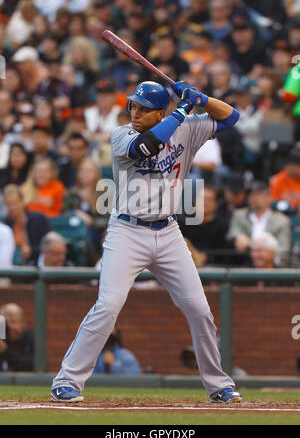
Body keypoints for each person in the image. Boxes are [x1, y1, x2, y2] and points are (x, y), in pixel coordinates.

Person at [51, 80, 242, 403]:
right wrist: (183, 109)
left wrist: (202, 98)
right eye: (133, 106)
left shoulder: (187, 128)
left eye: (143, 109)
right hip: (127, 230)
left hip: (168, 232)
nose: (135, 113)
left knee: (199, 309)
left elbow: (231, 117)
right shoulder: (121, 135)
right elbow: (147, 146)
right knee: (109, 305)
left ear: (159, 112)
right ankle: (67, 380)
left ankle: (218, 384)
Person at [227, 181, 291, 265]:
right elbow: (232, 234)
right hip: (245, 261)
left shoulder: (281, 220)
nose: (253, 198)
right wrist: (238, 238)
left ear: (269, 197)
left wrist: (266, 254)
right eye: (250, 195)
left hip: (271, 265)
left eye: (258, 194)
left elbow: (284, 248)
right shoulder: (239, 215)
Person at [3, 184, 52, 265]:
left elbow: (50, 245)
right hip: (11, 265)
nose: (13, 207)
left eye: (15, 203)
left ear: (22, 201)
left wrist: (32, 251)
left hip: (37, 264)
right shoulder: (4, 226)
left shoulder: (39, 219)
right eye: (9, 204)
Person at [0, 303, 34, 372]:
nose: (9, 327)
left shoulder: (31, 339)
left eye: (13, 322)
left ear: (22, 323)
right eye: (6, 323)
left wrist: (6, 350)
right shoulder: (2, 338)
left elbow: (31, 366)